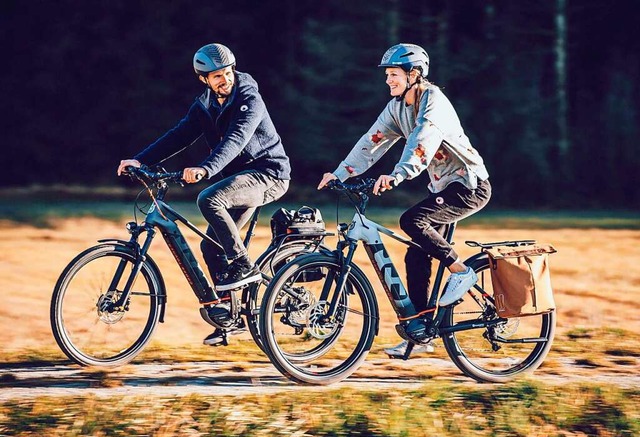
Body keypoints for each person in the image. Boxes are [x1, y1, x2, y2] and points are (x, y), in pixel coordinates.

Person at [317, 43, 491, 358]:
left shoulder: (432, 102)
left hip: (469, 185)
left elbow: (422, 139)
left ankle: (461, 271)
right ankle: (420, 332)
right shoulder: (398, 107)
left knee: (412, 220)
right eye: (387, 76)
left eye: (394, 75)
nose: (388, 81)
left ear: (414, 75)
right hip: (444, 188)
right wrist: (341, 173)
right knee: (416, 255)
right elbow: (372, 141)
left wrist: (399, 174)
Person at [117, 43, 291, 346]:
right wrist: (141, 160)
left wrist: (205, 169)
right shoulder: (204, 105)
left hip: (268, 173)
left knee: (209, 198)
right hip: (237, 180)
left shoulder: (250, 97)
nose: (225, 80)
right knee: (211, 247)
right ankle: (229, 316)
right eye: (217, 77)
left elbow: (237, 139)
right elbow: (179, 135)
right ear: (204, 80)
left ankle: (243, 263)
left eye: (227, 73)